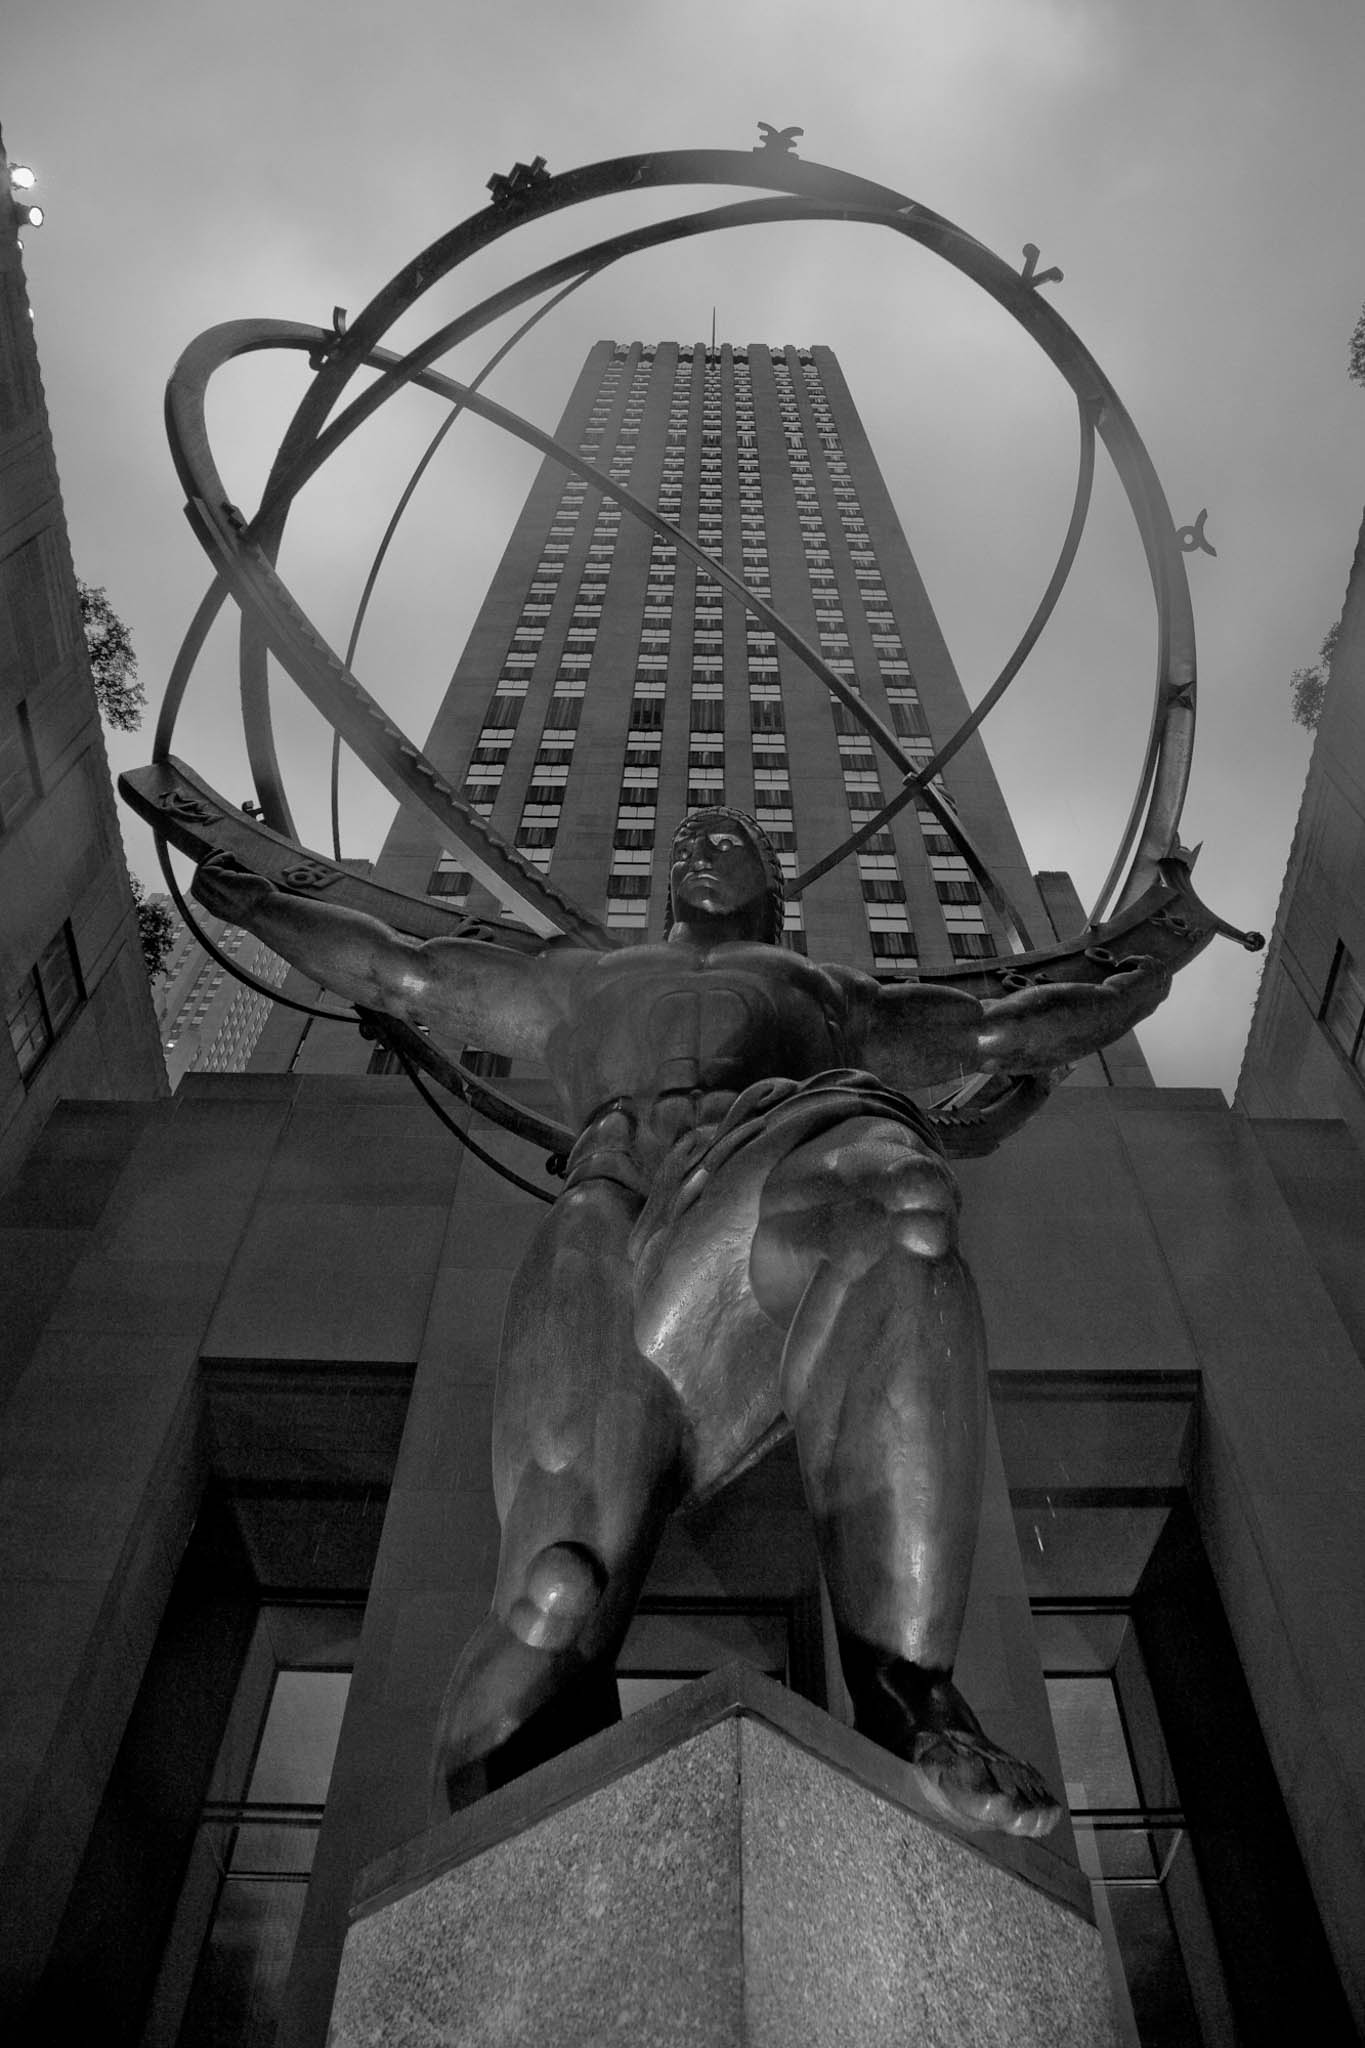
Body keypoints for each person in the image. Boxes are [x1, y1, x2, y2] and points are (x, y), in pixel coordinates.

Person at [194, 809, 1170, 1837]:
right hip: (607, 1220)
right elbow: (405, 972)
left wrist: (1140, 982)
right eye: (687, 839)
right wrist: (258, 903)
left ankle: (908, 1693)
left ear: (774, 887)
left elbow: (996, 1029)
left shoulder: (831, 994)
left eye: (729, 838)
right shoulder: (580, 978)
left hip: (767, 1174)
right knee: (552, 1597)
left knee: (901, 1199)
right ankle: (523, 1826)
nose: (699, 846)